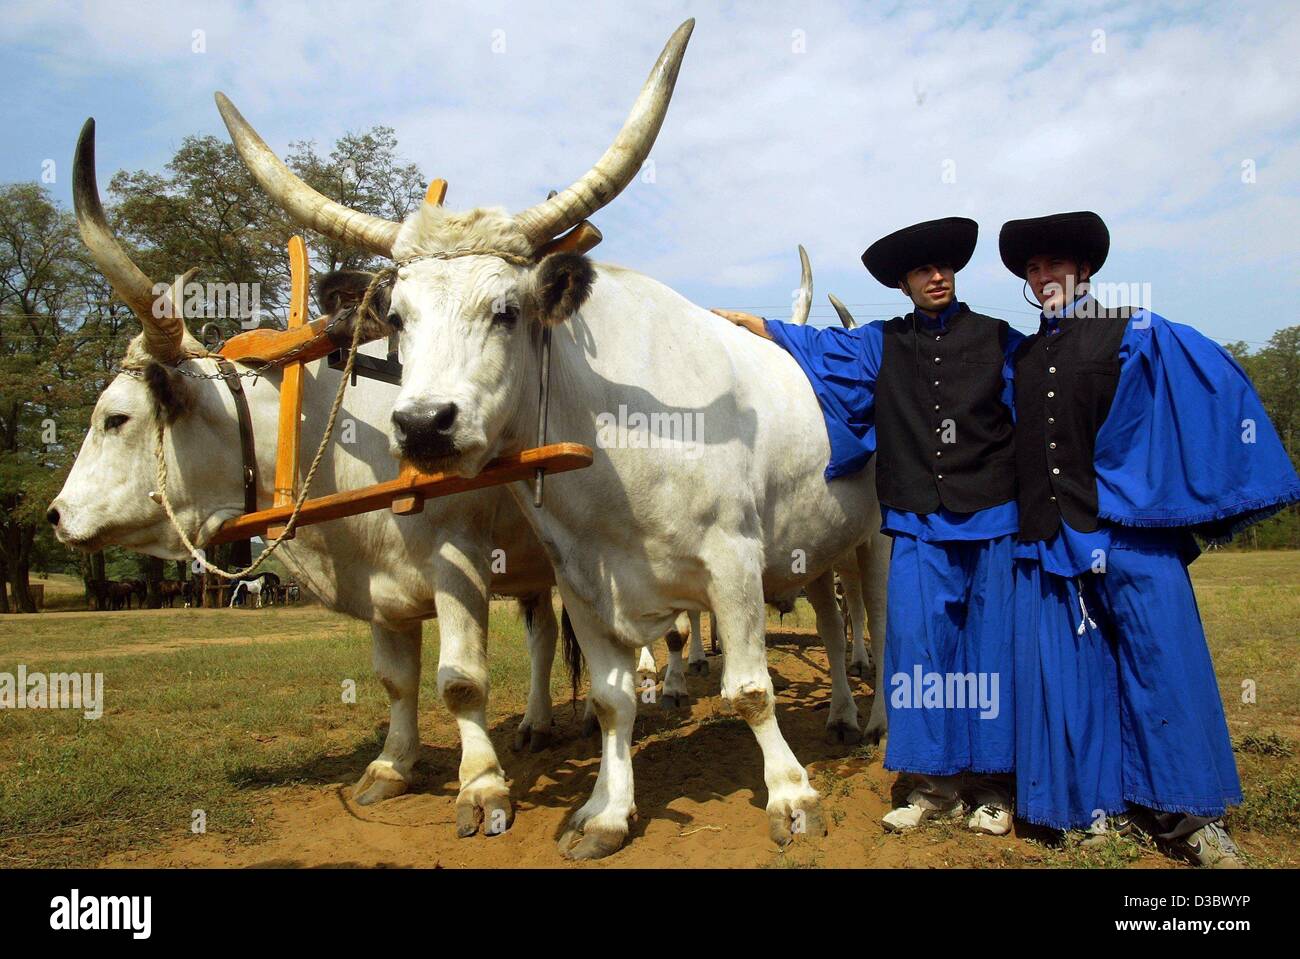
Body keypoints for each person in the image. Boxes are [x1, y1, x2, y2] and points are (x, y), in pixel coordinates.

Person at [1001, 210, 1300, 867]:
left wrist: (1167, 488)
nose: (1043, 274)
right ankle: (1087, 809)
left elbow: (1211, 389)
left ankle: (1187, 818)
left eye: (1055, 263)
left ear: (1082, 269)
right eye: (1033, 267)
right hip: (1049, 543)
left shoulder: (1136, 331)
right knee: (1067, 681)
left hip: (1132, 534)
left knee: (1164, 670)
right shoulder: (1021, 357)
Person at [714, 218, 1023, 834]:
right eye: (921, 271)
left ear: (954, 273)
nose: (935, 277)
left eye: (943, 268)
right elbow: (819, 350)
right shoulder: (881, 343)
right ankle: (935, 786)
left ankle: (992, 789)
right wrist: (760, 326)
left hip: (991, 523)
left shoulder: (1000, 340)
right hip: (917, 527)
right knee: (917, 657)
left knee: (988, 655)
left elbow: (1042, 412)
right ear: (904, 283)